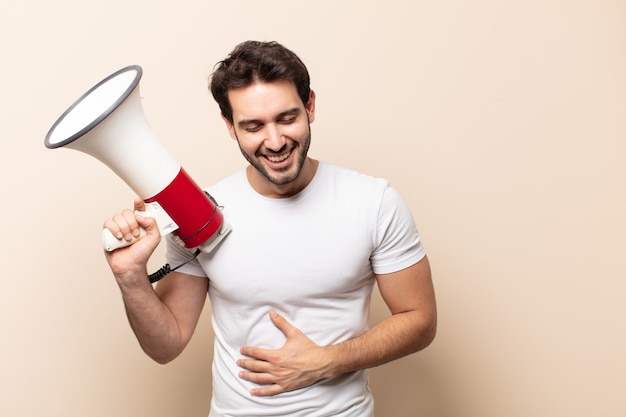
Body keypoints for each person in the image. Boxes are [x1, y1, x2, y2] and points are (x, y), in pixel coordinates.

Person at [103, 40, 437, 417]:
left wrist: (325, 360)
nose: (275, 141)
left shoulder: (374, 201)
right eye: (253, 126)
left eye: (287, 118)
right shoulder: (200, 213)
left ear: (310, 106)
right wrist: (130, 275)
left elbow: (420, 321)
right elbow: (165, 346)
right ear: (230, 126)